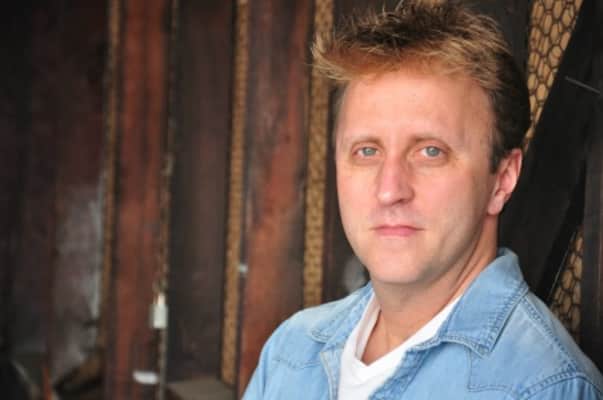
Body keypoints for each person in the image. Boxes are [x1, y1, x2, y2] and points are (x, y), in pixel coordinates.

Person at [243, 1, 603, 399]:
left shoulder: (541, 387)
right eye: (367, 151)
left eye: (431, 152)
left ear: (502, 180)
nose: (389, 190)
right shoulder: (291, 351)